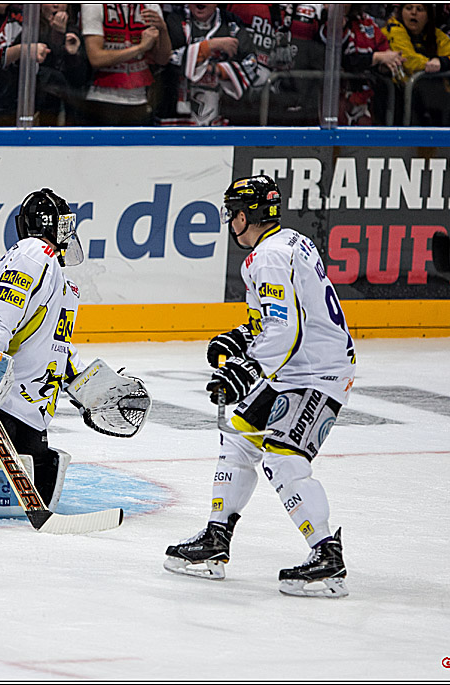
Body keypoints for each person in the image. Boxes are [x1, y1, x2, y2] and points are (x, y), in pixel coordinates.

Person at [163, 175, 357, 599]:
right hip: (295, 368)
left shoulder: (268, 257)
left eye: (233, 212)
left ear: (246, 214)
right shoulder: (288, 242)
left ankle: (327, 556)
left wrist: (245, 369)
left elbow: (284, 331)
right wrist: (238, 338)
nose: (230, 221)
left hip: (317, 373)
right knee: (237, 438)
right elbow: (275, 321)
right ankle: (215, 540)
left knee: (285, 457)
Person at [0, 188, 86, 507]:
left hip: (27, 412)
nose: (68, 233)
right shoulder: (34, 254)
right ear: (49, 225)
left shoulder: (60, 278)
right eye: (63, 225)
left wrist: (85, 387)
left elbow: (56, 345)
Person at [72, 3, 173, 126]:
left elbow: (162, 59)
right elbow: (96, 58)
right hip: (101, 100)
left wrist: (163, 29)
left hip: (140, 100)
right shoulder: (94, 5)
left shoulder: (151, 6)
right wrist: (140, 48)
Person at [160, 3, 260, 126]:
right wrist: (209, 46)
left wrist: (217, 70)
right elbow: (165, 58)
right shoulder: (174, 20)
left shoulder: (232, 23)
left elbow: (251, 62)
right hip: (176, 118)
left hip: (219, 118)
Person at [384, 3, 450, 126]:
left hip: (435, 102)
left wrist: (442, 62)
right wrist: (432, 64)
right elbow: (408, 60)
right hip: (400, 101)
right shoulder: (393, 29)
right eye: (409, 8)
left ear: (428, 16)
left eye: (420, 9)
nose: (413, 13)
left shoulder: (437, 35)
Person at [340, 3, 404, 126]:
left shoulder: (367, 22)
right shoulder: (327, 20)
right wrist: (377, 58)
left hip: (367, 99)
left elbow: (384, 51)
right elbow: (345, 60)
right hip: (337, 96)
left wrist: (386, 64)